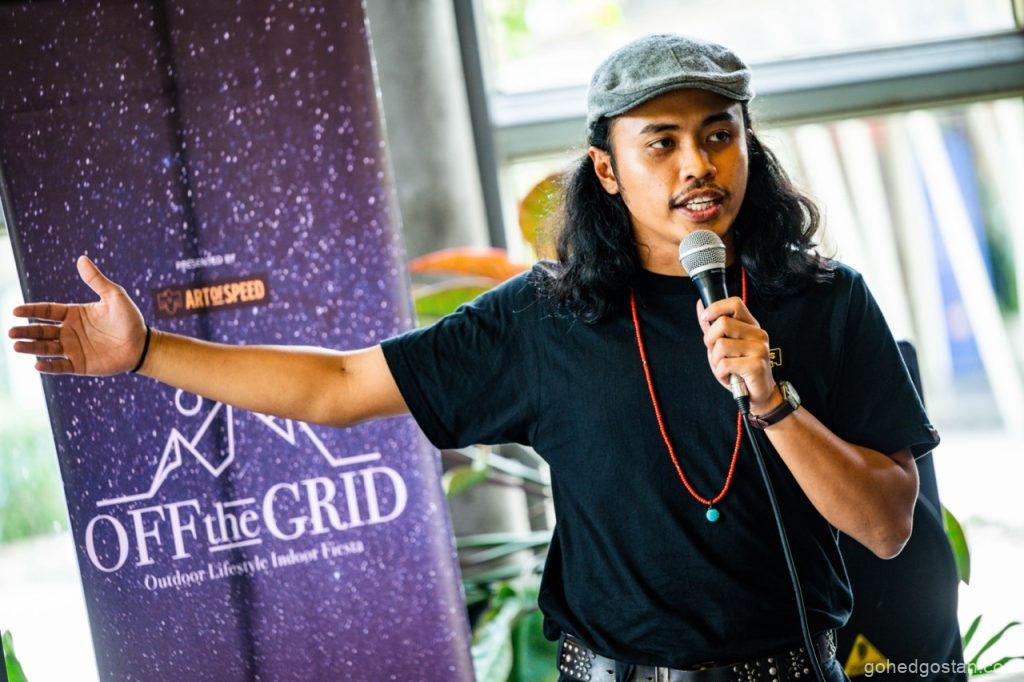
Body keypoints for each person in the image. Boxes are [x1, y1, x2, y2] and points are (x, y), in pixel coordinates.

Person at [8, 33, 938, 682]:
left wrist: (772, 399)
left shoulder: (825, 301)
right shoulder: (546, 317)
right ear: (607, 170)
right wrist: (148, 352)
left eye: (718, 136)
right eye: (662, 142)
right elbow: (340, 386)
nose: (697, 164)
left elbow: (888, 526)